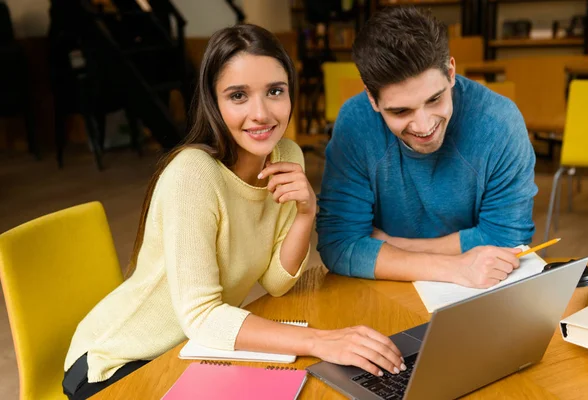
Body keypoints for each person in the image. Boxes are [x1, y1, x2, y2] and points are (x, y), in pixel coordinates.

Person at [62, 24, 404, 400]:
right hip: (118, 364)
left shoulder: (286, 155)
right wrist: (320, 341)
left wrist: (306, 213)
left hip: (194, 351)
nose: (261, 114)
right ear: (214, 101)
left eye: (275, 91)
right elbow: (203, 316)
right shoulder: (193, 174)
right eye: (238, 95)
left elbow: (277, 282)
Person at [316, 7, 538, 289]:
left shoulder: (499, 123)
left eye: (435, 100)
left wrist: (393, 246)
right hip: (385, 287)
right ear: (372, 99)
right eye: (400, 111)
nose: (423, 126)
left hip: (476, 288)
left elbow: (508, 242)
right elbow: (339, 245)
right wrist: (456, 267)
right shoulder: (355, 123)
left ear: (451, 71)